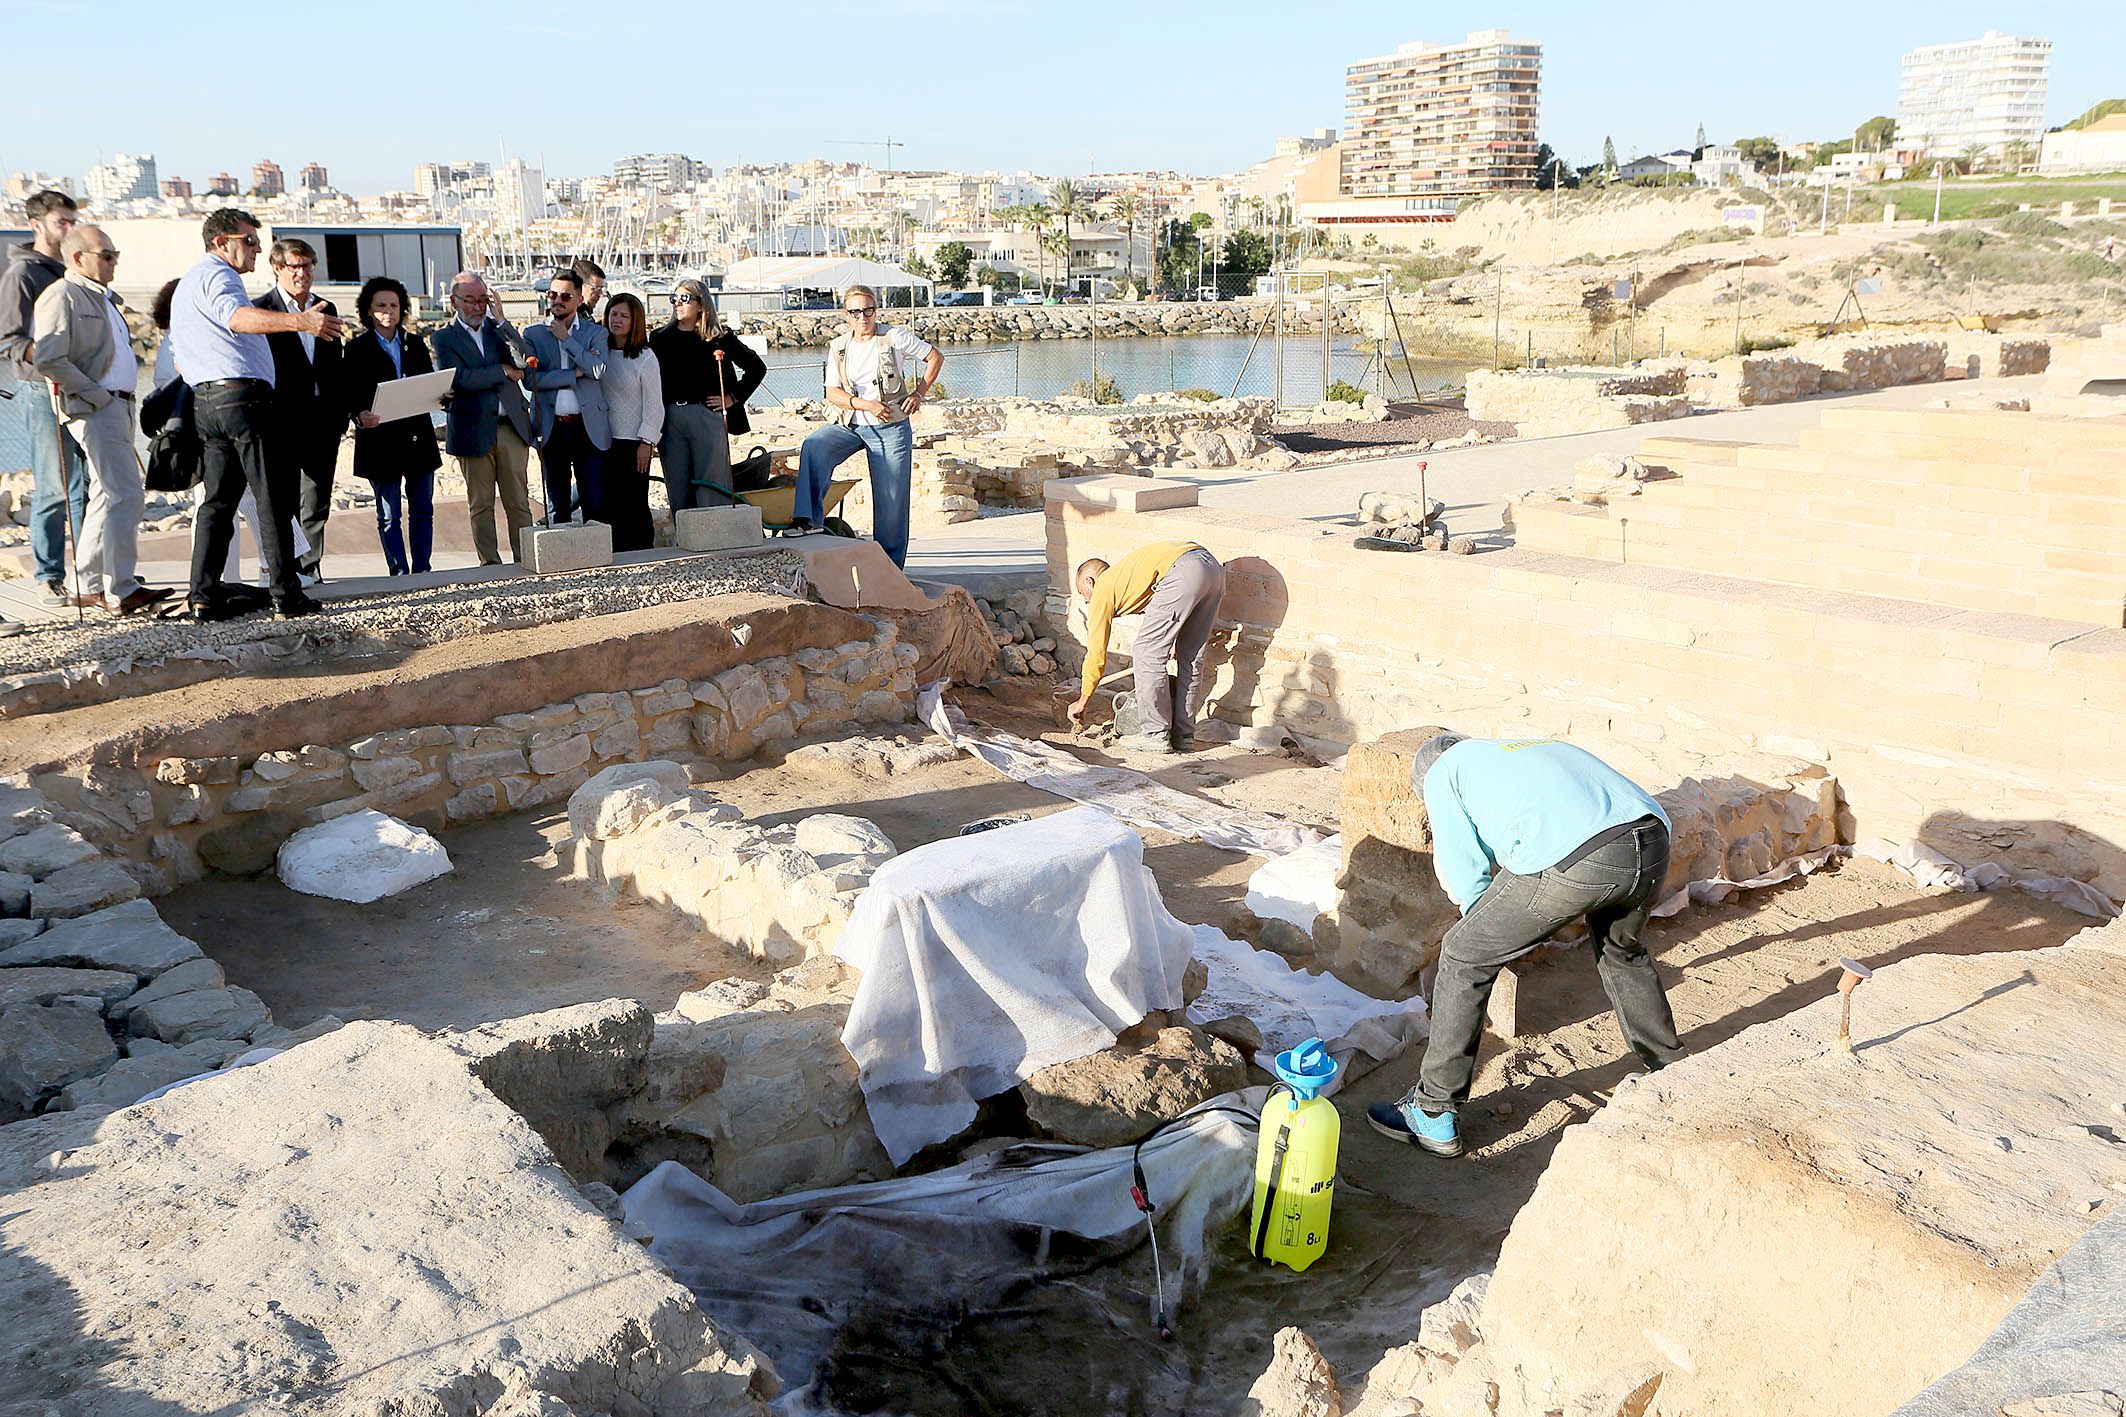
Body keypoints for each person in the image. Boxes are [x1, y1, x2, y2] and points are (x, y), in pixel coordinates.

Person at [1368, 734, 1686, 1158]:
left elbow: (1464, 871)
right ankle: (1671, 1069)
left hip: (1581, 856)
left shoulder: (1443, 771)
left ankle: (1433, 1110)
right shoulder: (1518, 750)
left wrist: (1487, 931)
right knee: (1621, 952)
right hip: (1651, 839)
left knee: (1463, 956)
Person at [170, 208, 341, 620]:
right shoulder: (219, 276)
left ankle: (203, 595)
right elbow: (238, 318)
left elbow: (180, 351)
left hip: (208, 400)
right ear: (220, 242)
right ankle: (286, 594)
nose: (255, 248)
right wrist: (302, 322)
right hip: (241, 399)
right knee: (274, 498)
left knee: (218, 502)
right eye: (248, 241)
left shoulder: (188, 283)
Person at [31, 227, 170, 614]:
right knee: (127, 494)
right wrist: (98, 396)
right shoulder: (62, 296)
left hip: (116, 406)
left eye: (115, 254)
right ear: (78, 258)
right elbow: (49, 358)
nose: (114, 262)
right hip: (97, 407)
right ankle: (121, 588)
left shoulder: (102, 298)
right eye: (106, 255)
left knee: (105, 495)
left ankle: (86, 583)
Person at [793, 283, 941, 566]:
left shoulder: (894, 337)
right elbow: (832, 392)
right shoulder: (839, 347)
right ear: (846, 314)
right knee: (814, 446)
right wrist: (866, 405)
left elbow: (934, 357)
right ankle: (808, 520)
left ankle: (890, 567)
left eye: (868, 310)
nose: (863, 317)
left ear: (876, 310)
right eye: (856, 312)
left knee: (891, 499)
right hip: (850, 424)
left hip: (890, 427)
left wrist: (919, 393)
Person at [0, 189, 87, 608]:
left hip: (87, 388)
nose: (69, 229)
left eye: (72, 221)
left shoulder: (74, 269)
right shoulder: (22, 275)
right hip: (43, 391)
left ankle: (94, 569)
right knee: (56, 486)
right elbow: (10, 342)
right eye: (61, 222)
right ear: (37, 225)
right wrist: (55, 357)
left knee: (90, 483)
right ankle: (49, 575)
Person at [1066, 542, 1227, 755]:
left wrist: (1082, 700)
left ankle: (1154, 734)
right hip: (1213, 571)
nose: (1087, 601)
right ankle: (1184, 736)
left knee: (1146, 652)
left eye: (1082, 592)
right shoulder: (1128, 579)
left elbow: (1096, 653)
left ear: (1090, 580)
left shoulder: (1103, 587)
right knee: (1191, 656)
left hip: (1183, 571)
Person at [254, 238, 343, 579]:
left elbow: (334, 365)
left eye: (307, 266)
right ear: (278, 268)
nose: (302, 273)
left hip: (323, 422)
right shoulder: (264, 310)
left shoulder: (326, 308)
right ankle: (285, 569)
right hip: (281, 422)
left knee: (316, 501)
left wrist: (342, 413)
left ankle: (311, 566)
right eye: (294, 266)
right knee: (282, 500)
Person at [432, 272, 534, 564]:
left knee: (518, 502)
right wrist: (500, 372)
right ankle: (489, 562)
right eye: (470, 300)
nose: (477, 307)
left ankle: (526, 557)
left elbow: (523, 361)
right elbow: (459, 379)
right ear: (454, 302)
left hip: (511, 427)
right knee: (481, 503)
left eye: (482, 300)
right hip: (471, 429)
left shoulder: (496, 330)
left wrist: (502, 321)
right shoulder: (443, 338)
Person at [342, 277, 442, 576]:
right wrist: (359, 414)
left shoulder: (415, 344)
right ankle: (398, 571)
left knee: (423, 509)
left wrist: (442, 394)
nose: (388, 311)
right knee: (388, 513)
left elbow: (427, 384)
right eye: (381, 305)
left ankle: (422, 569)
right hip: (379, 440)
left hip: (417, 438)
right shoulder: (356, 348)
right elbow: (349, 393)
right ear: (369, 310)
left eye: (394, 305)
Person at [649, 278, 765, 516]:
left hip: (707, 415)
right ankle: (685, 538)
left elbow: (756, 368)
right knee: (677, 484)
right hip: (669, 417)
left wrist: (733, 398)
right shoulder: (659, 338)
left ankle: (716, 537)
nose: (677, 303)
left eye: (684, 298)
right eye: (674, 298)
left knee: (712, 482)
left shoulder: (719, 338)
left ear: (701, 305)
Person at [523, 269, 609, 527]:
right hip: (552, 427)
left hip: (587, 427)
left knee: (594, 500)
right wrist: (573, 374)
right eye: (552, 295)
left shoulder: (595, 333)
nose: (557, 301)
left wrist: (567, 340)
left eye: (565, 296)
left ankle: (596, 560)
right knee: (557, 502)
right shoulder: (533, 334)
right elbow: (532, 381)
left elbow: (597, 370)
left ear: (579, 300)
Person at [599, 292, 662, 553]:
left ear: (634, 320)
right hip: (602, 441)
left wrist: (647, 441)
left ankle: (641, 554)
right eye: (614, 314)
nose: (617, 319)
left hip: (633, 443)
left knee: (634, 503)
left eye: (624, 315)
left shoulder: (645, 357)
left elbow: (654, 405)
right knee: (607, 503)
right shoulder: (598, 354)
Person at [571, 258, 607, 323]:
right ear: (579, 287)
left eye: (601, 289)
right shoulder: (571, 319)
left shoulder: (584, 316)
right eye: (595, 289)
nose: (600, 294)